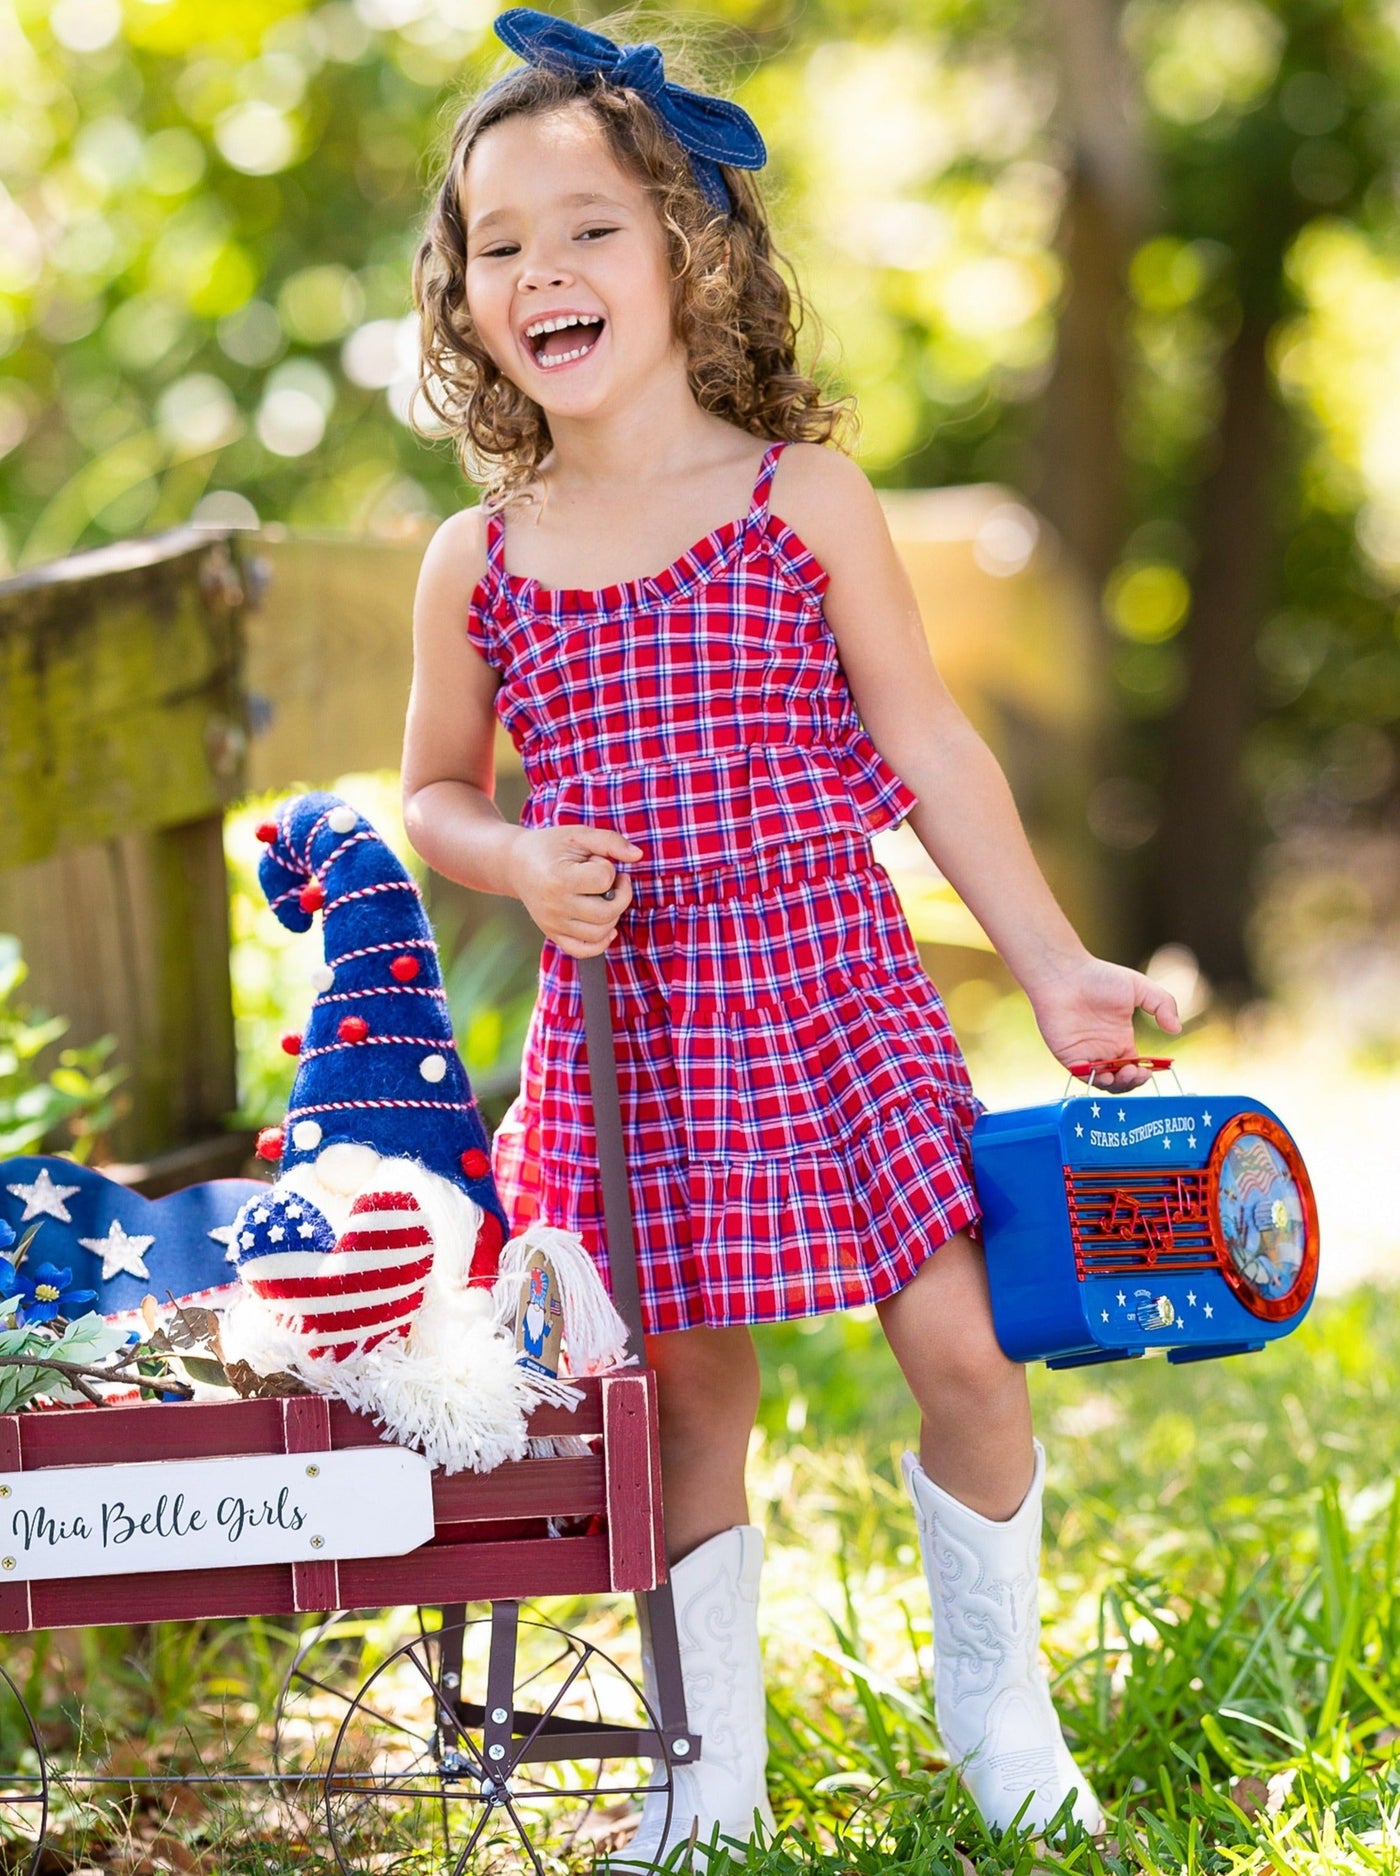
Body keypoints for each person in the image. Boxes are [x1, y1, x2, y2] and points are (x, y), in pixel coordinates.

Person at [402, 9, 1181, 1862]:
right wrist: (512, 859)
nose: (543, 273)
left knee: (969, 1356)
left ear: (689, 249)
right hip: (637, 1033)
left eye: (587, 226)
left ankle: (1001, 1717)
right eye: (497, 246)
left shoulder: (796, 501)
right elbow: (425, 796)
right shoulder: (482, 559)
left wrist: (1059, 963)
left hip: (827, 995)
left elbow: (929, 747)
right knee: (684, 1410)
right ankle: (708, 1774)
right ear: (462, 299)